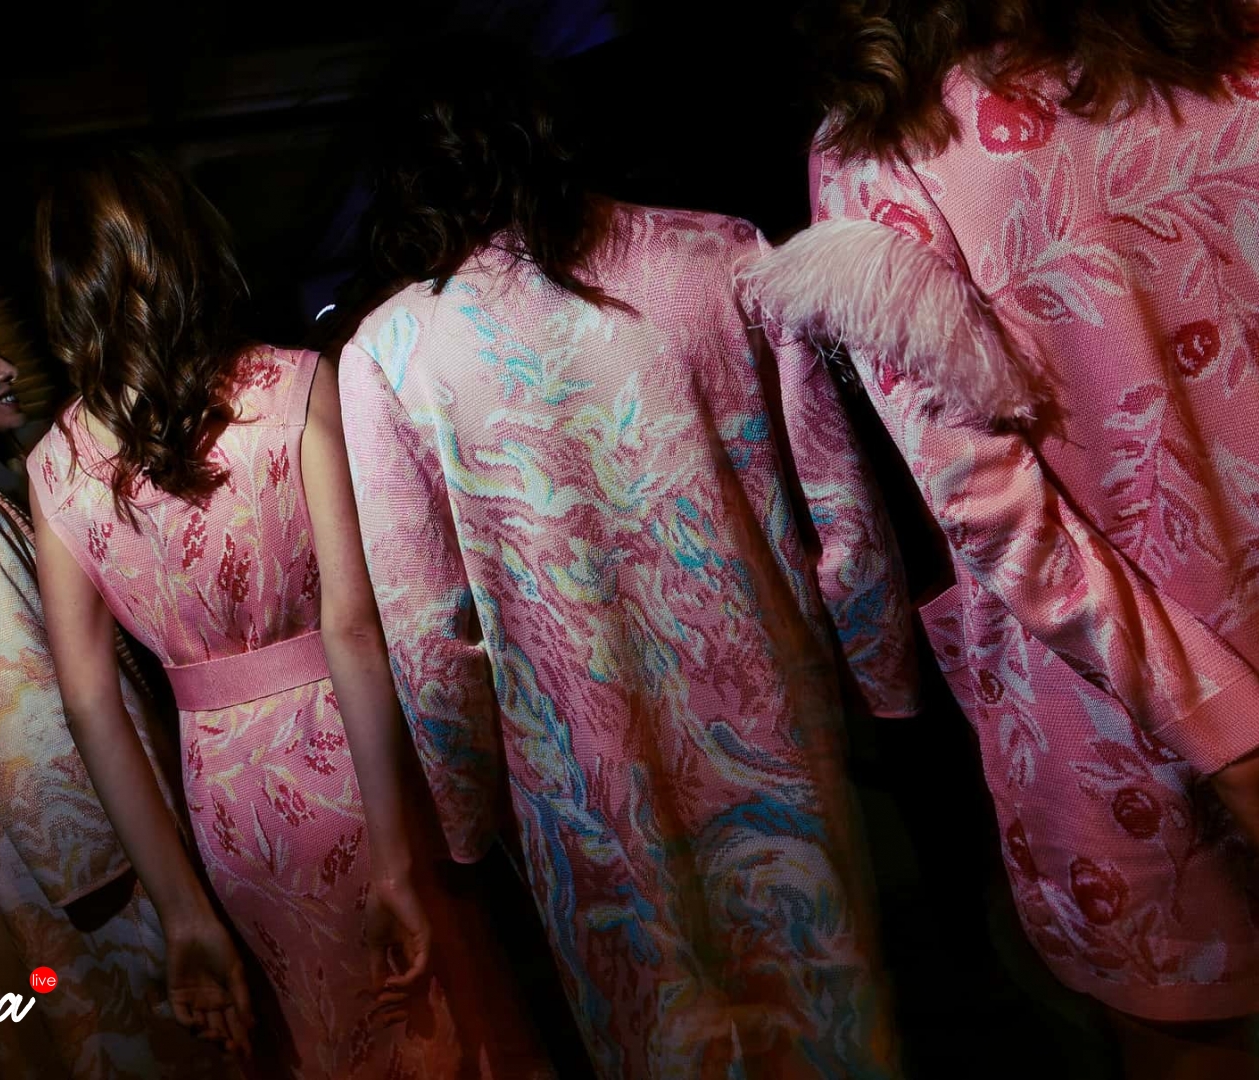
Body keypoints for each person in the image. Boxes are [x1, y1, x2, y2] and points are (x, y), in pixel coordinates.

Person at [744, 0, 1259, 1075]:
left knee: (1187, 1045)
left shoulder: (885, 148)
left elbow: (986, 500)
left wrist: (1226, 729)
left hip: (1118, 724)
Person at [338, 43, 919, 1079]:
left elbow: (430, 638)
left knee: (659, 1037)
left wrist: (469, 817)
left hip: (579, 780)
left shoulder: (389, 355)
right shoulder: (722, 256)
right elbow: (840, 503)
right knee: (829, 1015)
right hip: (773, 721)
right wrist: (884, 679)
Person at [27, 148, 548, 1077]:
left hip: (228, 807)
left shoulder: (53, 466)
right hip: (360, 767)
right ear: (189, 246)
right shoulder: (298, 383)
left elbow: (87, 701)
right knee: (452, 1025)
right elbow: (352, 627)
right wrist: (396, 862)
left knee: (327, 1039)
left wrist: (184, 913)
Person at [0, 288, 224, 1077]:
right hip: (104, 885)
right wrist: (146, 900)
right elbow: (23, 715)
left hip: (28, 875)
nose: (6, 367)